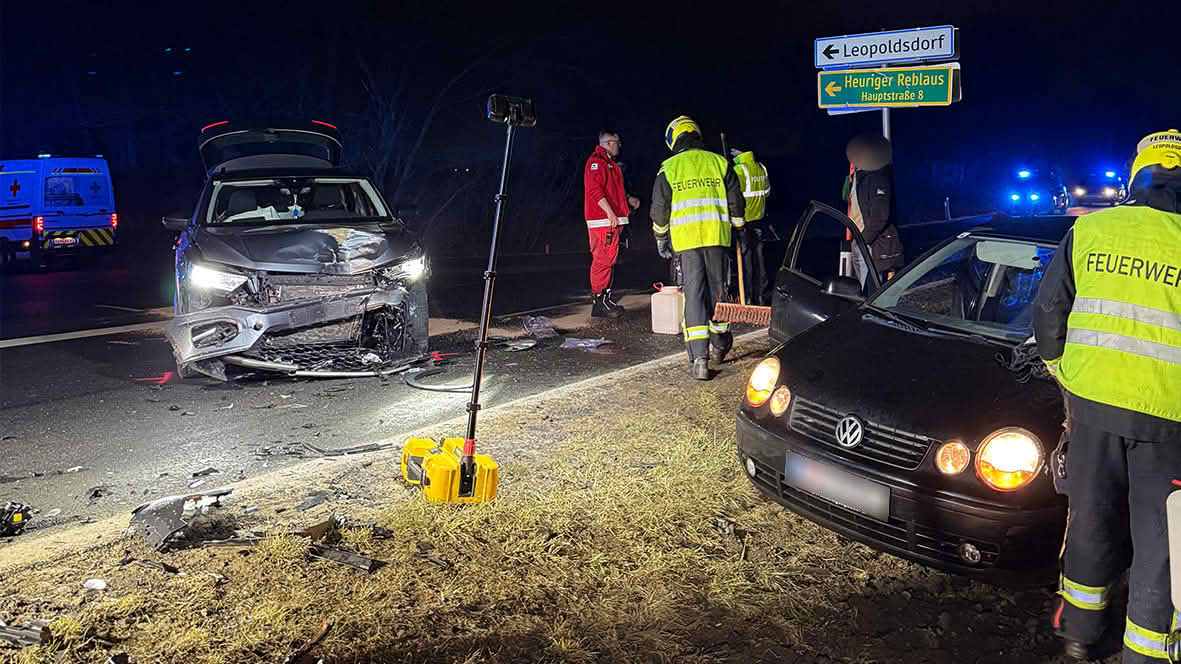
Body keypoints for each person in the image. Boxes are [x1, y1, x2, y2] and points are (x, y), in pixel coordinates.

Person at [1033, 128, 1181, 663]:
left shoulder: (1092, 231)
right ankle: (1145, 652)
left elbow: (1049, 312)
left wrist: (1065, 373)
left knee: (1091, 519)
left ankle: (1078, 634)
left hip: (1092, 409)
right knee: (1163, 542)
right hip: (1170, 423)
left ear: (1138, 177)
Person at [651, 116, 745, 380]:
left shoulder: (668, 168)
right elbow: (736, 201)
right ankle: (720, 345)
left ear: (674, 139)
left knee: (693, 295)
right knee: (719, 291)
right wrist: (739, 229)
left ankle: (700, 360)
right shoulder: (719, 162)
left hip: (686, 242)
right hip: (717, 237)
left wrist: (661, 237)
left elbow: (660, 209)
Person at [584, 130, 641, 318]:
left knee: (608, 259)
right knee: (603, 260)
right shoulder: (596, 163)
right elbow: (594, 190)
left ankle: (604, 299)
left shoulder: (609, 164)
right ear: (608, 143)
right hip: (603, 221)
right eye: (617, 142)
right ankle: (599, 302)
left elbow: (612, 192)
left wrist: (628, 200)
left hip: (610, 219)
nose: (619, 145)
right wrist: (609, 212)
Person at [843, 133, 905, 288]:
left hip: (871, 242)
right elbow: (846, 197)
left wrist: (864, 239)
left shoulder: (878, 175)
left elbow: (880, 215)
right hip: (859, 237)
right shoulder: (859, 174)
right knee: (861, 288)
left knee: (872, 290)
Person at [730, 148, 773, 305]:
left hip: (744, 222)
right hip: (759, 221)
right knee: (759, 258)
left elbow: (733, 195)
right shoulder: (761, 167)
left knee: (746, 260)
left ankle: (747, 298)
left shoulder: (739, 169)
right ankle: (760, 295)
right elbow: (767, 192)